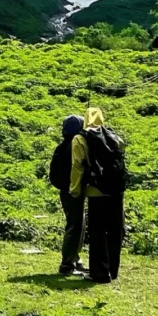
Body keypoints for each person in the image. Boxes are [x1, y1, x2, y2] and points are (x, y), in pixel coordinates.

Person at [69, 106, 127, 284]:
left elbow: (77, 167)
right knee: (114, 230)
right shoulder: (113, 136)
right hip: (117, 191)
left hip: (96, 191)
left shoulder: (79, 139)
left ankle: (99, 273)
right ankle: (113, 270)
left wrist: (75, 189)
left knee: (98, 232)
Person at [49, 114, 87, 276]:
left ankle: (75, 259)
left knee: (79, 225)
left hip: (67, 191)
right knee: (75, 225)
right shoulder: (74, 147)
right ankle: (67, 264)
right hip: (73, 191)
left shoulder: (62, 147)